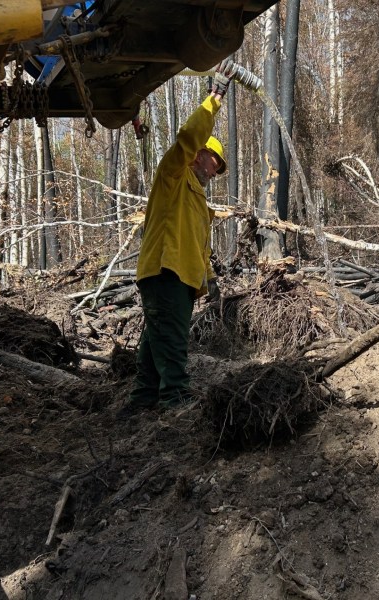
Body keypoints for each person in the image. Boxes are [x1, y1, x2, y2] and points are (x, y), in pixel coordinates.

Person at [120, 60, 234, 414]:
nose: (215, 169)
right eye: (214, 161)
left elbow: (199, 244)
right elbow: (188, 136)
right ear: (198, 154)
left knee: (157, 338)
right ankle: (175, 401)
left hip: (182, 278)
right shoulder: (172, 175)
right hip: (164, 271)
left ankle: (143, 399)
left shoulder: (197, 199)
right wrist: (214, 99)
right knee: (172, 340)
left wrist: (210, 279)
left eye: (219, 166)